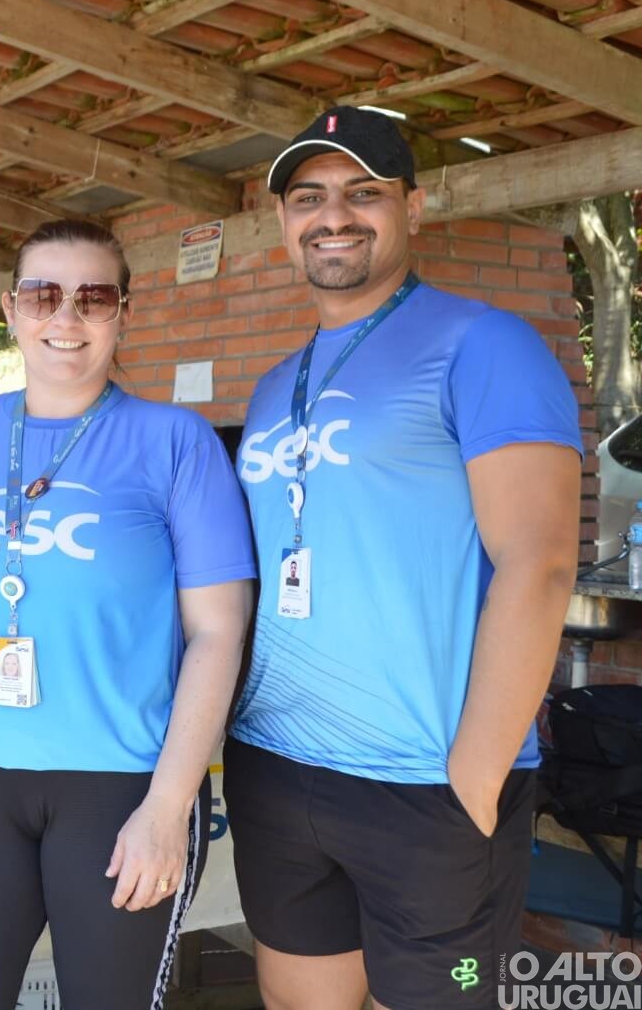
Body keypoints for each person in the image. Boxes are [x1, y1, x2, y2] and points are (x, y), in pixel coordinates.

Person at [226, 108, 582, 1010]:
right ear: (283, 222)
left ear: (412, 209)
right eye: (309, 196)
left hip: (427, 789)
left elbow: (538, 565)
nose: (333, 215)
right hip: (278, 768)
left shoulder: (484, 345)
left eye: (364, 193)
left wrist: (476, 773)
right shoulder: (276, 385)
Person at [0, 219, 255, 1008]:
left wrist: (166, 809)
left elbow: (218, 631)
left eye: (93, 297)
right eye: (44, 294)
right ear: (12, 309)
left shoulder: (176, 442)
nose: (67, 317)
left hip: (120, 788)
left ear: (124, 311)